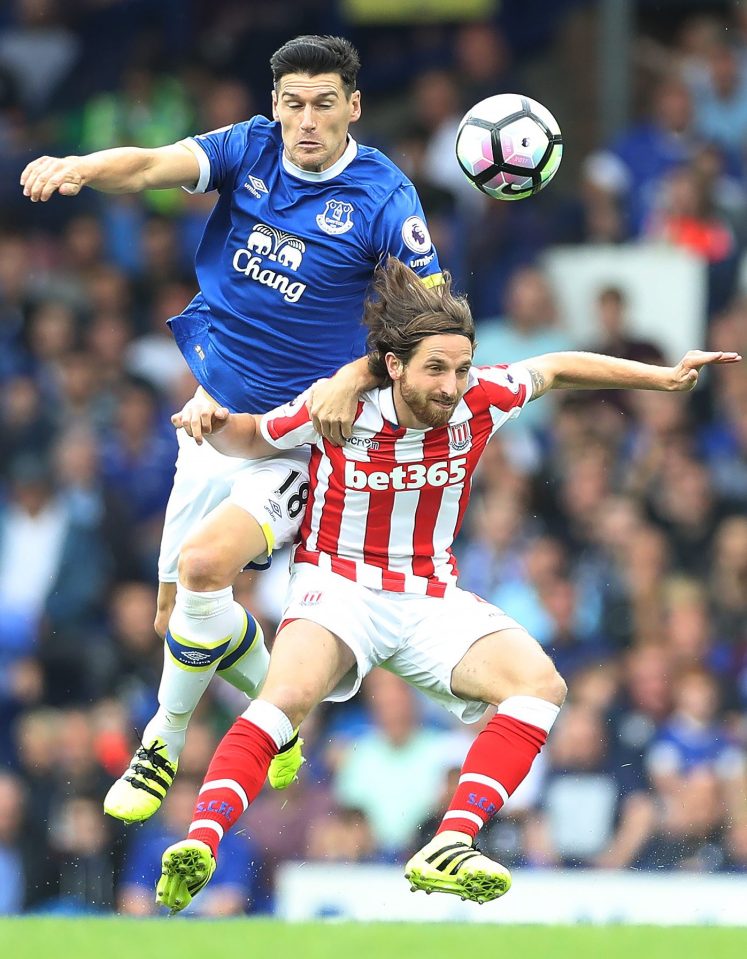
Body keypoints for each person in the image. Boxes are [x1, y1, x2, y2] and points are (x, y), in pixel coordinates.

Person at [154, 257, 740, 911]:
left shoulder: (480, 400)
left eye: (461, 368)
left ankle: (450, 841)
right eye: (437, 368)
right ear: (394, 366)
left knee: (540, 684)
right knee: (282, 698)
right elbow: (253, 437)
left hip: (428, 594)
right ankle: (201, 840)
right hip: (339, 587)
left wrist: (661, 377)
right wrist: (210, 418)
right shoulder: (339, 408)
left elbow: (556, 366)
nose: (453, 384)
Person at [20, 36, 443, 823]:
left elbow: (433, 326)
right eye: (293, 104)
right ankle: (280, 707)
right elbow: (149, 165)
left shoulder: (384, 196)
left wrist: (353, 377)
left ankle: (162, 738)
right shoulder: (249, 148)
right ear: (274, 105)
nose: (305, 121)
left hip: (295, 436)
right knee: (173, 615)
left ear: (353, 105)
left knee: (207, 567)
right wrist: (80, 168)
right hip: (211, 415)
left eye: (323, 103)